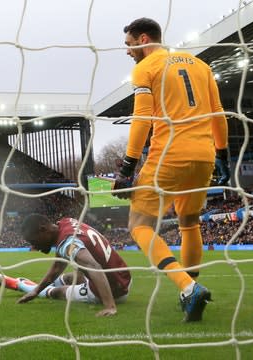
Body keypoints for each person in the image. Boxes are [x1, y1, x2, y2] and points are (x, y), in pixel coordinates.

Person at [113, 17, 230, 322]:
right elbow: (219, 114)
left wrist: (127, 167)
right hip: (203, 156)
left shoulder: (146, 67)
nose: (127, 52)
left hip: (168, 156)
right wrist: (223, 156)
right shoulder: (200, 65)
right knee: (189, 222)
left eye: (128, 45)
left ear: (142, 40)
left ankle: (187, 287)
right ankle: (190, 289)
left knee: (139, 226)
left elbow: (142, 120)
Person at [14, 214, 131, 317]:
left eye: (34, 242)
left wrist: (109, 306)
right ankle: (34, 289)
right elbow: (57, 267)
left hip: (115, 291)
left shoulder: (67, 243)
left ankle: (22, 285)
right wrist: (36, 290)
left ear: (43, 229)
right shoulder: (66, 222)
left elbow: (93, 266)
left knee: (58, 292)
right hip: (123, 277)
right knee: (71, 277)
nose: (35, 247)